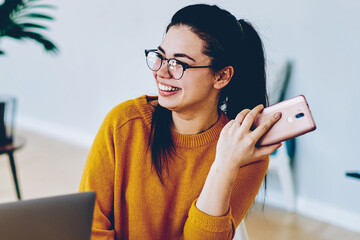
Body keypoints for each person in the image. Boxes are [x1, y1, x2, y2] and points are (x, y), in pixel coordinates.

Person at [79, 4, 282, 240]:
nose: (161, 72)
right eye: (161, 57)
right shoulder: (123, 124)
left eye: (179, 63)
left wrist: (224, 166)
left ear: (221, 76)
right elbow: (89, 227)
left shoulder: (245, 155)